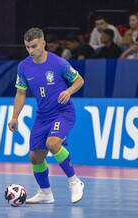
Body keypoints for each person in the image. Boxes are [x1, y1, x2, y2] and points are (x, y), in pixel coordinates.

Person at [8, 27, 85, 204]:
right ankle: (45, 193)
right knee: (35, 156)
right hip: (43, 116)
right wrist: (14, 117)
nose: (30, 50)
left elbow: (79, 80)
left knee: (53, 143)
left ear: (43, 43)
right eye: (27, 47)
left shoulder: (58, 63)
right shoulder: (24, 66)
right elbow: (20, 93)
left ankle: (75, 182)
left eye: (34, 46)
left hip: (63, 112)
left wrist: (69, 91)